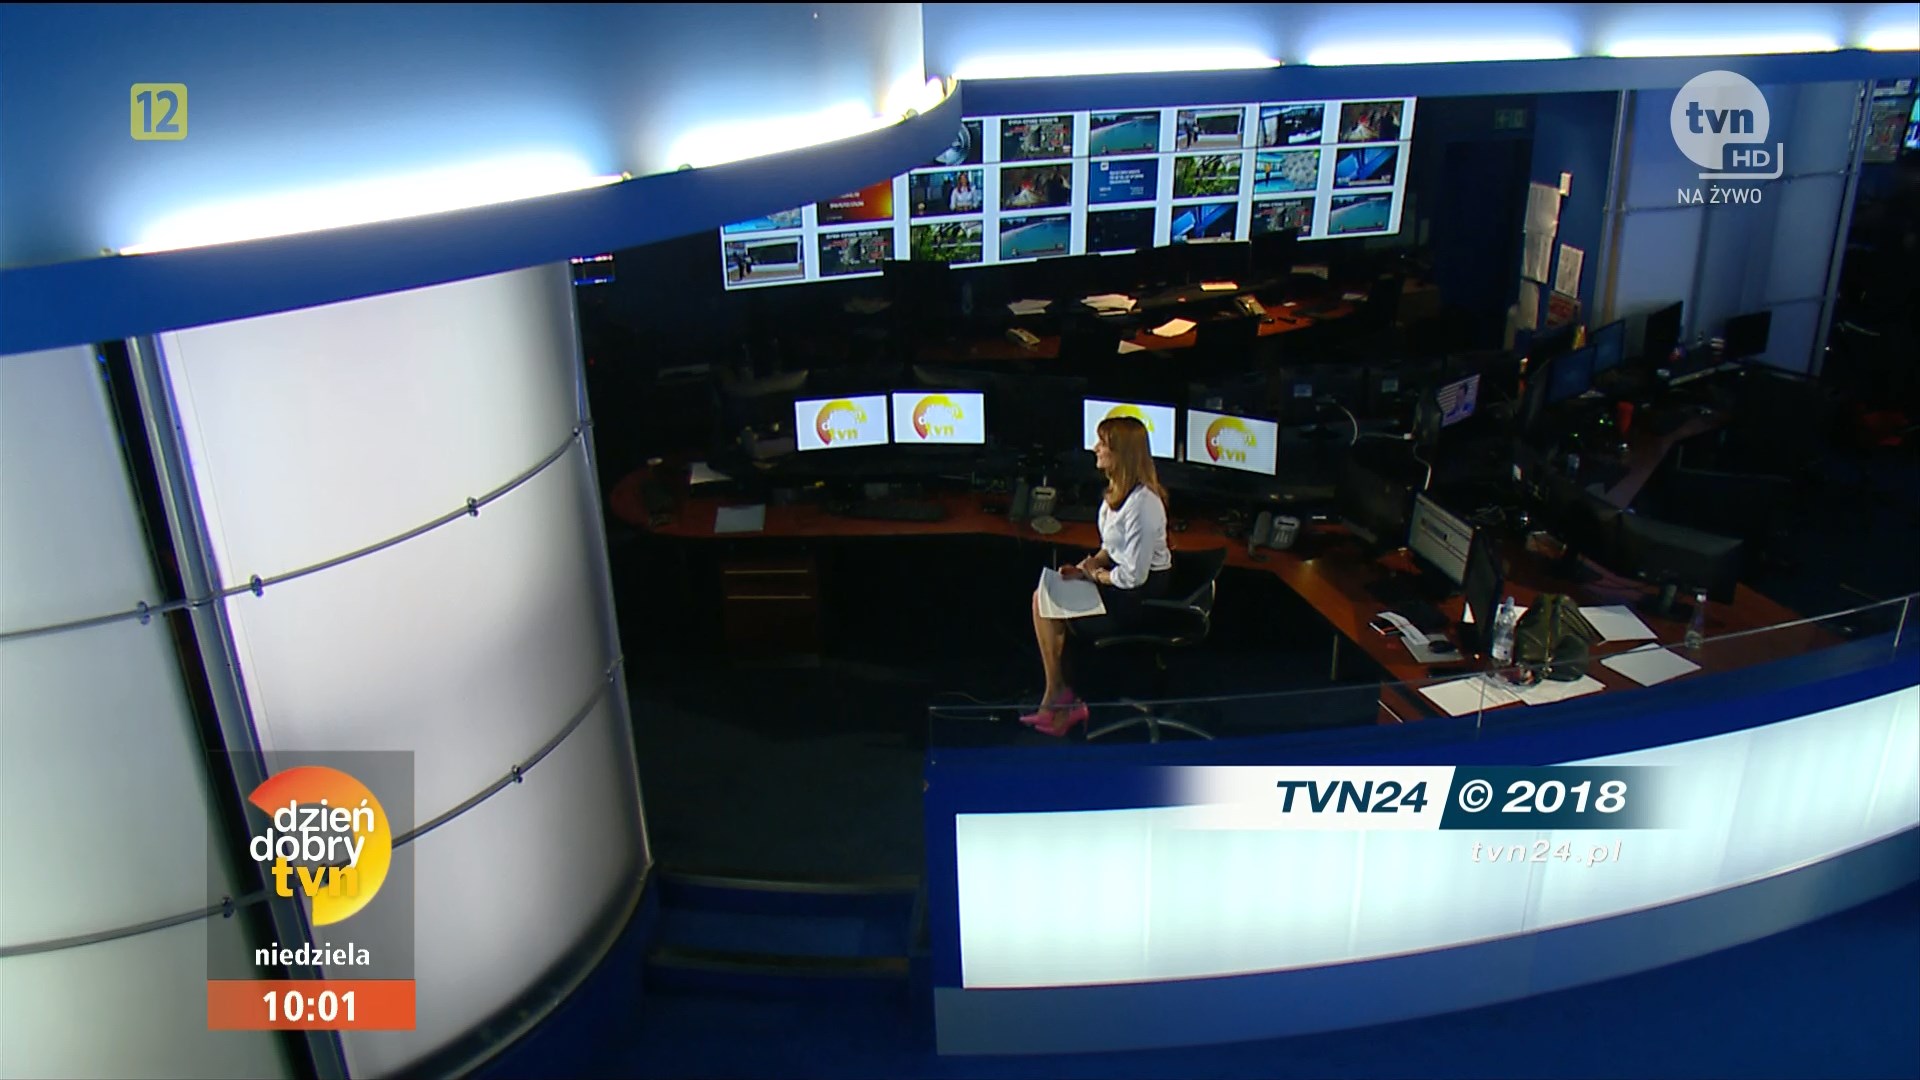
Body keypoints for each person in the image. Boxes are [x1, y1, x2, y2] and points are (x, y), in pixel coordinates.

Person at [1024, 416, 1174, 736]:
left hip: (1139, 597)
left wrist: (1095, 575)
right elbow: (1110, 547)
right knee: (1042, 597)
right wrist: (1085, 568)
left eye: (1102, 444)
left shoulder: (1144, 504)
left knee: (1053, 609)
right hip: (1117, 582)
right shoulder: (1115, 493)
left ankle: (1061, 699)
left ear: (1122, 453)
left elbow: (1133, 577)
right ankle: (1058, 693)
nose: (1095, 448)